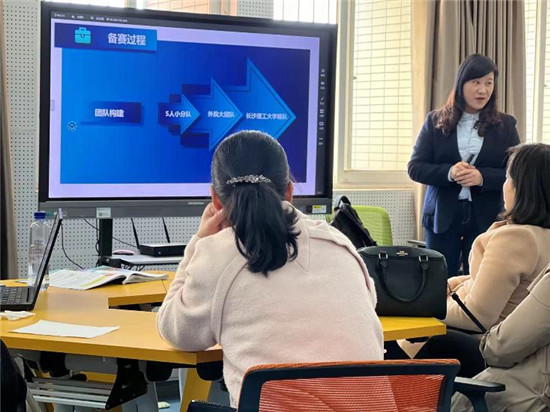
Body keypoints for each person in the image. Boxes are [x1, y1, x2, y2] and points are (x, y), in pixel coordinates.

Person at [156, 130, 384, 407]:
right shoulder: (339, 244)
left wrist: (199, 243)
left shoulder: (219, 252)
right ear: (289, 191)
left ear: (215, 199)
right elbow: (368, 303)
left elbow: (176, 330)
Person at [417, 143, 550, 377]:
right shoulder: (539, 235)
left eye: (507, 178)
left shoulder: (516, 238)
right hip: (529, 356)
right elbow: (494, 283)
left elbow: (476, 315)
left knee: (395, 347)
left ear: (522, 187)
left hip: (487, 349)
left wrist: (420, 307)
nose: (504, 185)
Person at [408, 54, 520, 277]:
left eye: (488, 83)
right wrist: (449, 172)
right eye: (476, 82)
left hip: (486, 217)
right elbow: (415, 167)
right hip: (442, 217)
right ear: (461, 84)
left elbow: (516, 172)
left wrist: (483, 177)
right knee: (438, 280)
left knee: (480, 279)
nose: (483, 90)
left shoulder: (506, 125)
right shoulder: (435, 120)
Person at [451, 264, 550, 412]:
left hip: (530, 394)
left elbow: (502, 346)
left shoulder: (508, 248)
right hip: (525, 368)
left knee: (439, 344)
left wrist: (435, 307)